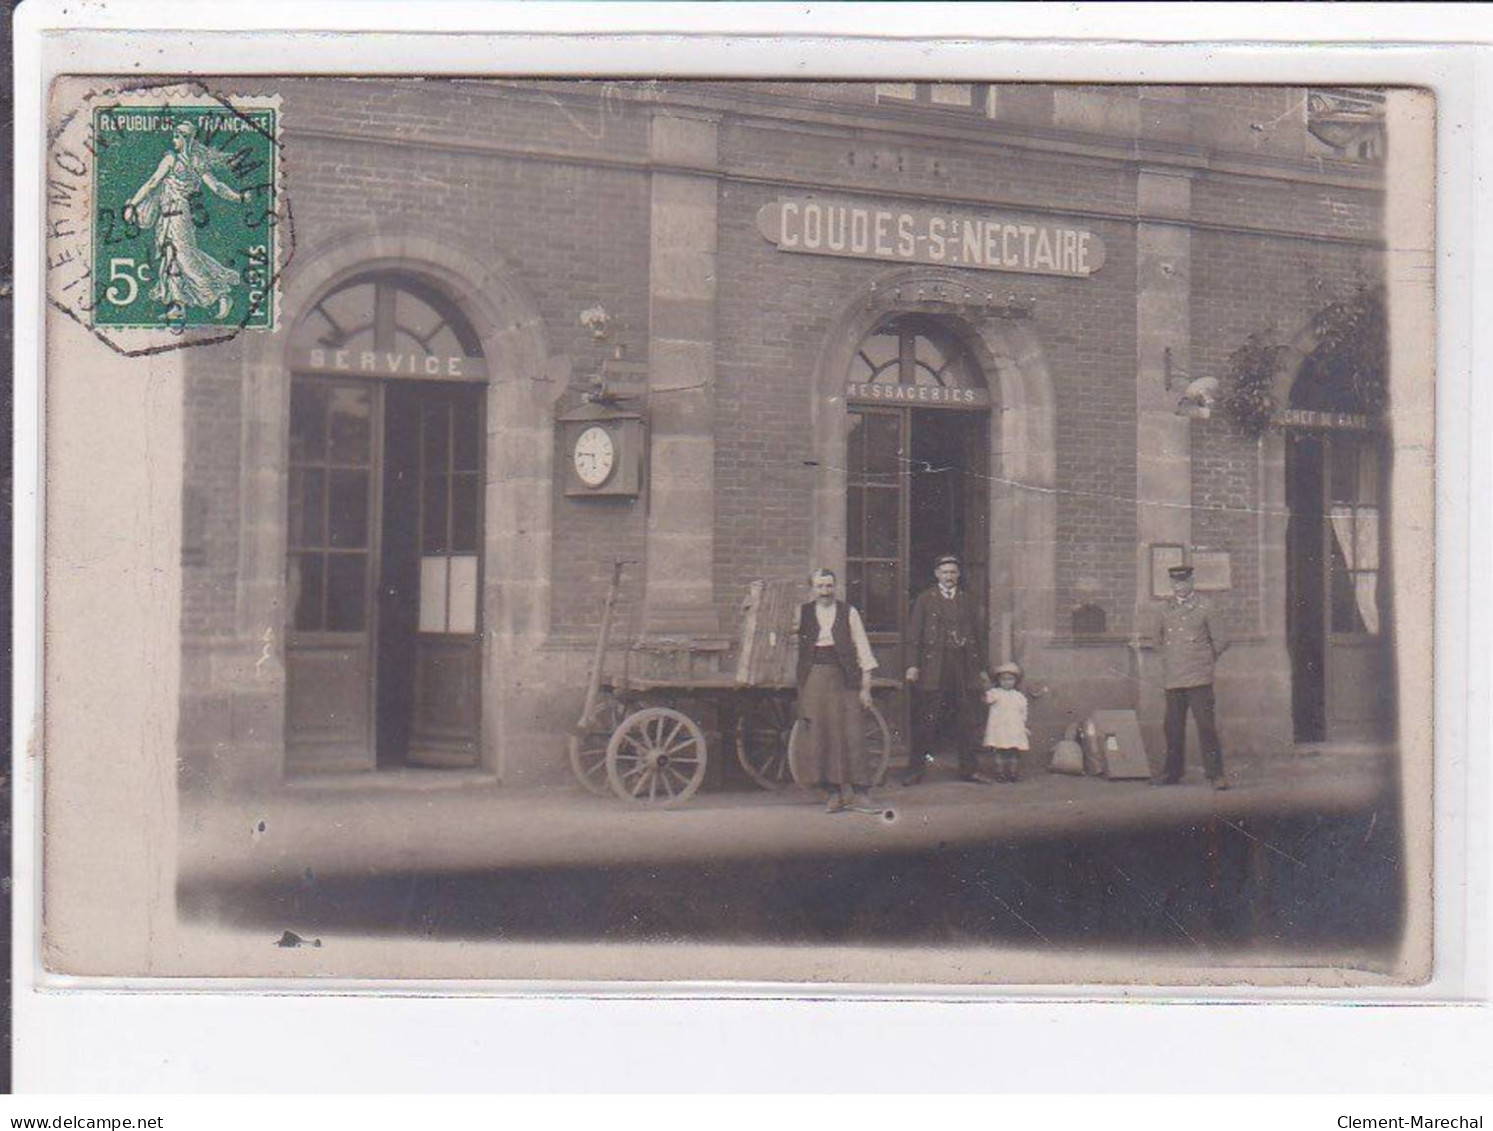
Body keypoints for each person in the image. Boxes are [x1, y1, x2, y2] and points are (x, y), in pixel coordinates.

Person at [122, 121, 247, 322]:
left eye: (176, 136)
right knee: (169, 257)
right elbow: (217, 187)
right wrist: (238, 197)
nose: (173, 140)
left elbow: (153, 183)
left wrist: (132, 205)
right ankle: (177, 305)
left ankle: (220, 294)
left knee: (185, 257)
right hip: (167, 215)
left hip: (177, 215)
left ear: (185, 138)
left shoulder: (174, 160)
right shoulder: (194, 161)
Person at [795, 568, 880, 814]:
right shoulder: (804, 613)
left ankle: (861, 792)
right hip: (814, 679)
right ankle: (833, 793)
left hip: (844, 677)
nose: (825, 591)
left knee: (851, 733)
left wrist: (866, 687)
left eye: (829, 586)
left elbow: (863, 648)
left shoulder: (848, 612)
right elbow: (779, 635)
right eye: (820, 587)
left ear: (835, 587)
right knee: (821, 734)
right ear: (813, 589)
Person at [902, 554, 992, 785]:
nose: (949, 576)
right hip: (933, 665)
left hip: (963, 665)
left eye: (953, 572)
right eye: (945, 572)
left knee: (967, 718)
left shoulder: (967, 600)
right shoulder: (925, 599)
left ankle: (969, 770)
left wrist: (982, 668)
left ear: (958, 575)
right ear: (937, 574)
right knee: (925, 719)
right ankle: (915, 771)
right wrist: (912, 665)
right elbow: (913, 635)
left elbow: (979, 636)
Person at [1155, 564, 1232, 790]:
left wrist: (1205, 660)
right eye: (1176, 583)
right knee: (1172, 727)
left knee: (1206, 726)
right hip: (1174, 678)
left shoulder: (1205, 607)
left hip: (1199, 677)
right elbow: (1156, 640)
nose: (1180, 587)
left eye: (1184, 582)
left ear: (1191, 582)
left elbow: (1221, 640)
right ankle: (1172, 772)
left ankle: (1216, 774)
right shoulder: (1164, 610)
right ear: (1172, 584)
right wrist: (1170, 659)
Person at [982, 661, 1030, 783]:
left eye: (1010, 679)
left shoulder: (1018, 696)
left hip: (1014, 727)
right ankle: (1000, 773)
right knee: (999, 751)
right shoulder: (995, 693)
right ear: (998, 680)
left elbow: (1023, 712)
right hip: (999, 728)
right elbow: (987, 700)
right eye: (1003, 679)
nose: (1007, 682)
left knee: (1013, 751)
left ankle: (1013, 773)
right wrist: (987, 686)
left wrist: (1023, 726)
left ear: (1015, 681)